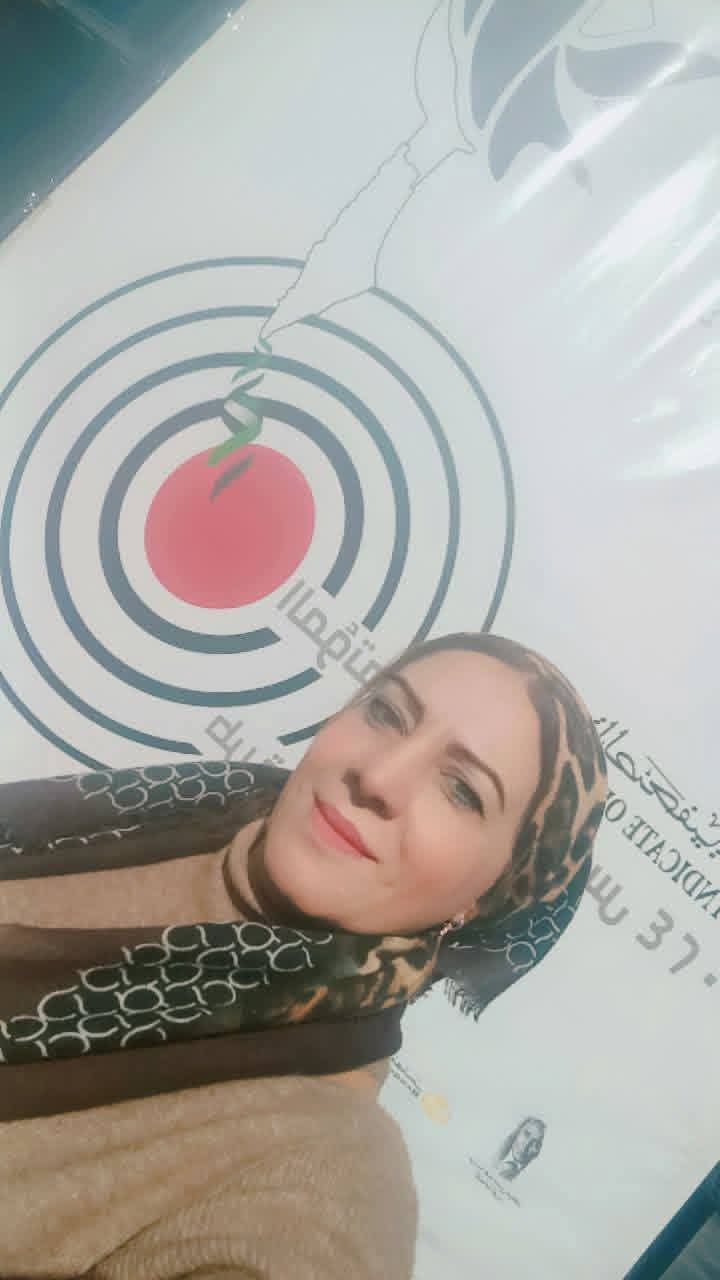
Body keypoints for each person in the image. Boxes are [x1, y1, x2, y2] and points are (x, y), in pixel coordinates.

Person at [0, 632, 607, 1279]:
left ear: (489, 896)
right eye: (387, 712)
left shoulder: (329, 1176)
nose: (379, 777)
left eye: (461, 790)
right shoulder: (163, 811)